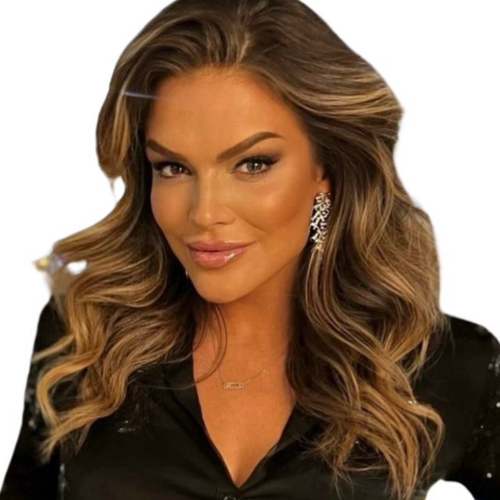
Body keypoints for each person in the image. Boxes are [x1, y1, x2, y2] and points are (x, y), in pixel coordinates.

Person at [1, 0, 499, 498]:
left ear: (325, 168)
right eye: (173, 168)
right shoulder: (84, 337)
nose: (204, 213)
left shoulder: (445, 365)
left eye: (253, 164)